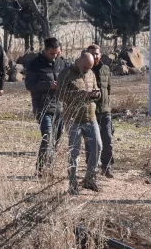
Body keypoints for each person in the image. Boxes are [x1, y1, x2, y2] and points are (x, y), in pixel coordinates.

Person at [61, 53, 103, 195]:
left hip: (90, 117)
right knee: (75, 153)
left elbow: (97, 90)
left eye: (90, 68)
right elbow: (60, 95)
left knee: (98, 146)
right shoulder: (66, 74)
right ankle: (72, 185)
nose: (87, 70)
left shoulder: (91, 74)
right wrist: (83, 94)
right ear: (78, 61)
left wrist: (96, 94)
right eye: (85, 67)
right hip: (73, 119)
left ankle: (89, 179)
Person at [25, 37, 67, 175]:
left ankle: (50, 166)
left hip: (59, 107)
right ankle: (41, 169)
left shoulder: (62, 63)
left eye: (57, 52)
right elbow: (29, 85)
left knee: (56, 138)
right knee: (47, 136)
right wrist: (48, 85)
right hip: (42, 107)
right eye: (52, 53)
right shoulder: (35, 64)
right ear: (45, 50)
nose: (55, 56)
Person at [86, 45, 115, 178]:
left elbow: (108, 89)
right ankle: (92, 167)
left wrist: (107, 105)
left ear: (100, 54)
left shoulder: (106, 69)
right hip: (89, 111)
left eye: (97, 54)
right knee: (91, 141)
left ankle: (107, 166)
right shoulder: (84, 70)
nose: (95, 56)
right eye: (92, 54)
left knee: (108, 139)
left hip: (105, 110)